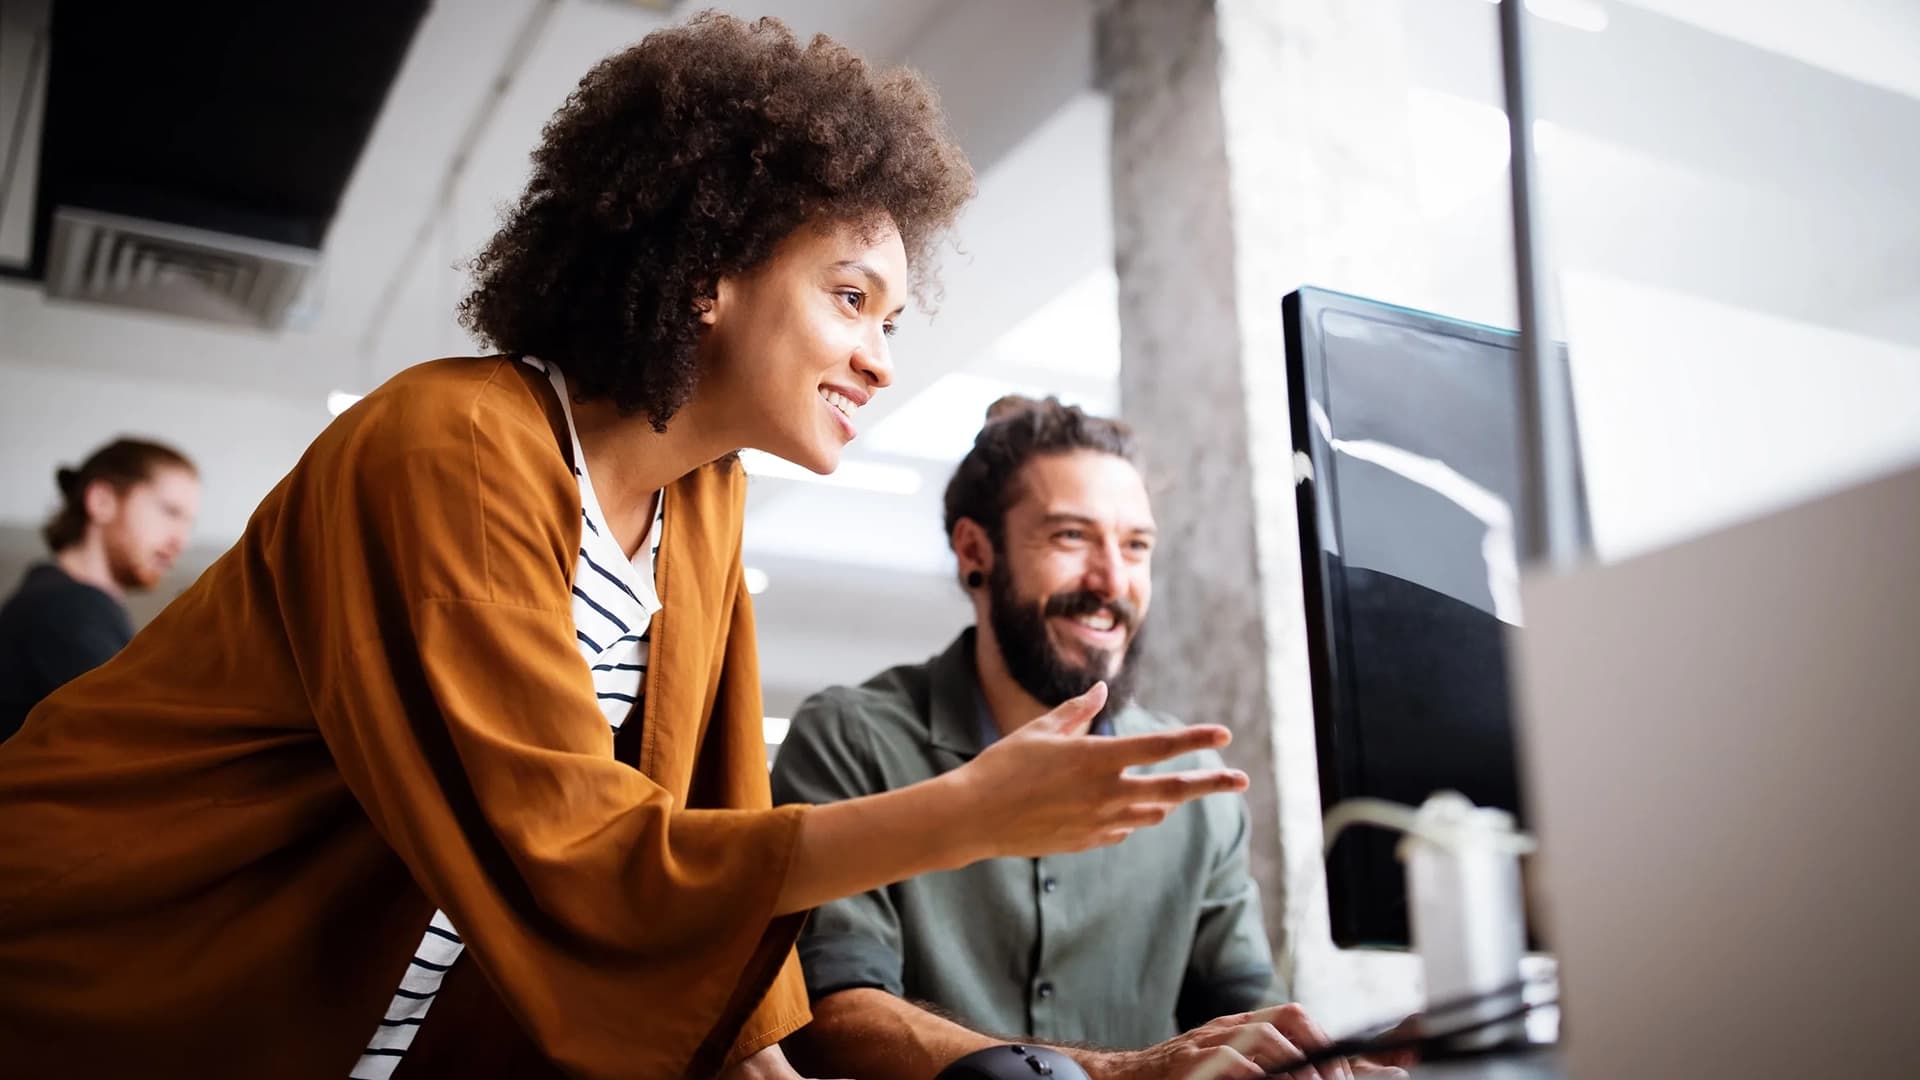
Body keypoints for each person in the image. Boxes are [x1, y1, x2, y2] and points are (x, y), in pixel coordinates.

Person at [0, 16, 1252, 1080]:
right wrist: (963, 815)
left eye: (891, 316)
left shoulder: (701, 506)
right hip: (90, 969)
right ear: (708, 272)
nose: (880, 354)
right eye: (849, 296)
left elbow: (704, 813)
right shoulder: (453, 447)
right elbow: (578, 849)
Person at [773, 398, 1394, 1080]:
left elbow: (1249, 1023)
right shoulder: (852, 740)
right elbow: (829, 1017)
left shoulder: (1196, 787)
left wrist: (1357, 1060)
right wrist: (1117, 1073)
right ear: (976, 552)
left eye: (1135, 546)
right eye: (1071, 538)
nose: (1112, 583)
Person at [0, 438, 199, 742]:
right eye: (170, 512)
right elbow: (134, 745)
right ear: (101, 501)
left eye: (188, 524)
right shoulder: (67, 608)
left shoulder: (61, 601)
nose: (180, 541)